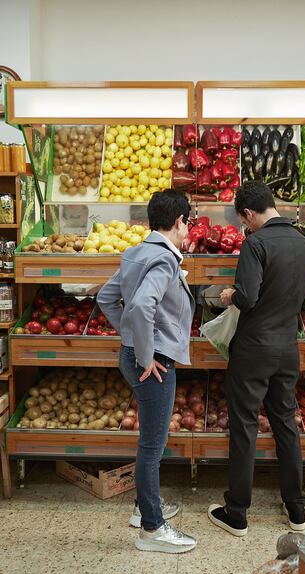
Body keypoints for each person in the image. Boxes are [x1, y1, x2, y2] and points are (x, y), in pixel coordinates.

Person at [207, 180, 305, 536]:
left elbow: (248, 297)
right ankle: (297, 511)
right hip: (287, 347)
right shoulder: (304, 242)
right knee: (286, 423)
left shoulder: (255, 244)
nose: (245, 226)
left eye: (245, 220)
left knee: (244, 426)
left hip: (253, 349)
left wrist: (230, 295)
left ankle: (237, 513)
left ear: (249, 213)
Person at [97, 189, 197, 554]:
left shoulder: (136, 252)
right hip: (151, 362)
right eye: (188, 221)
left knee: (149, 444)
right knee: (152, 446)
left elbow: (106, 298)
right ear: (178, 222)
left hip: (133, 355)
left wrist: (130, 338)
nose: (188, 228)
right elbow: (140, 307)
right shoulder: (165, 260)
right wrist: (146, 353)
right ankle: (152, 530)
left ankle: (144, 509)